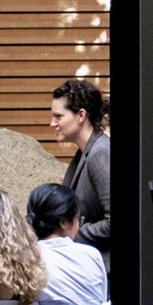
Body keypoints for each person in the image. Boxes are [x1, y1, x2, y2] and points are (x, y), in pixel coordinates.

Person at [49, 77, 112, 253]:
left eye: (58, 116)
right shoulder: (84, 152)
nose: (52, 123)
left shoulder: (100, 153)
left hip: (101, 270)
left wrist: (72, 235)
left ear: (81, 116)